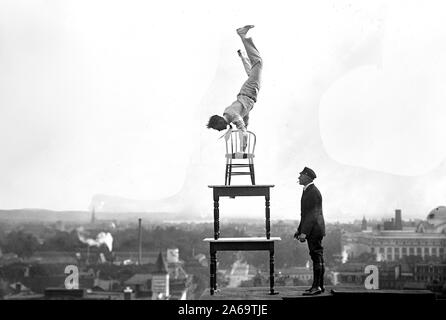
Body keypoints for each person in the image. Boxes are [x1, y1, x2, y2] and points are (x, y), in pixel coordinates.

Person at [206, 25, 263, 149]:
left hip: (249, 92)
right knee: (252, 71)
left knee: (258, 62)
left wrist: (244, 142)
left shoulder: (232, 115)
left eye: (217, 128)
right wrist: (244, 130)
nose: (219, 130)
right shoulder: (232, 116)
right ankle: (243, 55)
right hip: (249, 93)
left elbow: (242, 126)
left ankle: (242, 35)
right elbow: (245, 116)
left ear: (220, 121)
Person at [294, 167, 326, 295]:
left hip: (314, 230)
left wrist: (304, 233)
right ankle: (319, 286)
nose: (299, 178)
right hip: (314, 229)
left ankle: (316, 287)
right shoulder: (309, 190)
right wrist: (299, 230)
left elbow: (312, 215)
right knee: (317, 257)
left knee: (316, 257)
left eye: (301, 175)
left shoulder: (312, 192)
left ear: (307, 177)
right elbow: (305, 214)